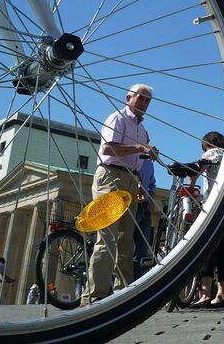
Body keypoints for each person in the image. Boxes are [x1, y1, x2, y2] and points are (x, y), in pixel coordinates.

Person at [84, 84, 158, 306]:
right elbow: (107, 149)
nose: (144, 103)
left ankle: (122, 293)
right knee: (107, 236)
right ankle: (93, 295)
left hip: (130, 179)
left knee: (126, 240)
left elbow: (139, 155)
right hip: (111, 175)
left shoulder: (142, 129)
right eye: (140, 98)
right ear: (128, 98)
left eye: (147, 100)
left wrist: (148, 153)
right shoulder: (117, 118)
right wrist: (139, 148)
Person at [188, 131, 224, 309]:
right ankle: (221, 295)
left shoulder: (210, 153)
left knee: (207, 248)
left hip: (214, 203)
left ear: (206, 144)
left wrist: (191, 183)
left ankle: (205, 294)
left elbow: (198, 170)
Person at [133, 157, 156, 281]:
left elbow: (152, 185)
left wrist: (150, 200)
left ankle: (137, 283)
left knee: (142, 251)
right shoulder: (131, 158)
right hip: (131, 205)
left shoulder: (149, 163)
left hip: (144, 207)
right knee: (125, 248)